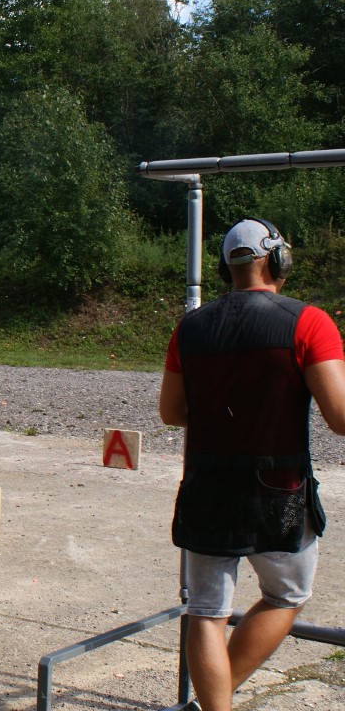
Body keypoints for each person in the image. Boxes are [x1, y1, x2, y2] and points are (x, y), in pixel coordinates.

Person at [158, 218, 345, 711]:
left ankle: (213, 703)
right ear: (278, 260)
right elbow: (340, 417)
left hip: (206, 485)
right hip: (278, 489)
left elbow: (171, 412)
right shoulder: (308, 322)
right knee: (287, 595)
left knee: (206, 611)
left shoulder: (190, 327)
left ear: (226, 269)